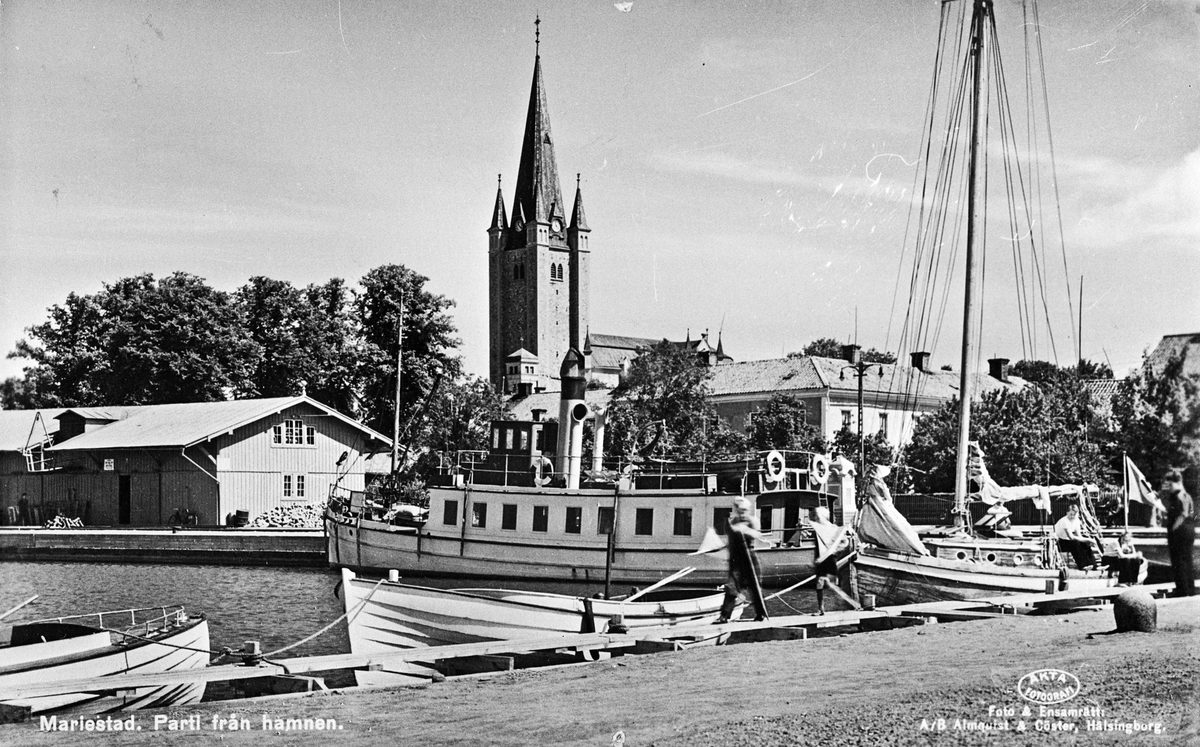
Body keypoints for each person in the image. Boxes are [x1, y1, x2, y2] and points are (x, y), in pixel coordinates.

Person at [715, 497, 769, 623]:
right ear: (736, 510)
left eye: (744, 510)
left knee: (755, 587)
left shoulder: (752, 521)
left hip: (750, 557)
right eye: (740, 510)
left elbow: (758, 535)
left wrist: (744, 530)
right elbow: (730, 540)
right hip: (736, 558)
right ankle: (725, 616)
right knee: (732, 588)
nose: (742, 513)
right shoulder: (731, 522)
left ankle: (760, 614)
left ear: (748, 510)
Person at [810, 506, 850, 615]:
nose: (815, 518)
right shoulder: (816, 528)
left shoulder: (833, 528)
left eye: (817, 516)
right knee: (819, 582)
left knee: (832, 582)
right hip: (820, 559)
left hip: (830, 557)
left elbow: (844, 542)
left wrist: (836, 550)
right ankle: (821, 608)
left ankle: (847, 605)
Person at [1162, 470, 1195, 597]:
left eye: (1170, 485)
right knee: (1187, 560)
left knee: (1178, 561)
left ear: (1178, 483)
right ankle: (1188, 589)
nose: (1169, 488)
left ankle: (1182, 590)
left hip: (1180, 531)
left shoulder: (1179, 496)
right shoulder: (1186, 495)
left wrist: (1172, 529)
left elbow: (1183, 514)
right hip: (1188, 530)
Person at [1054, 504, 1098, 570]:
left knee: (1084, 544)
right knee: (1074, 543)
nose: (1072, 516)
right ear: (1067, 513)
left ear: (1077, 514)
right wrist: (1089, 539)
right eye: (1070, 514)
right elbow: (1071, 537)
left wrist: (1088, 541)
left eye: (1074, 515)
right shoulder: (1065, 521)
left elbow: (1079, 536)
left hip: (1066, 540)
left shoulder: (1077, 521)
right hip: (1058, 542)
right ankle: (1082, 565)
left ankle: (1094, 565)